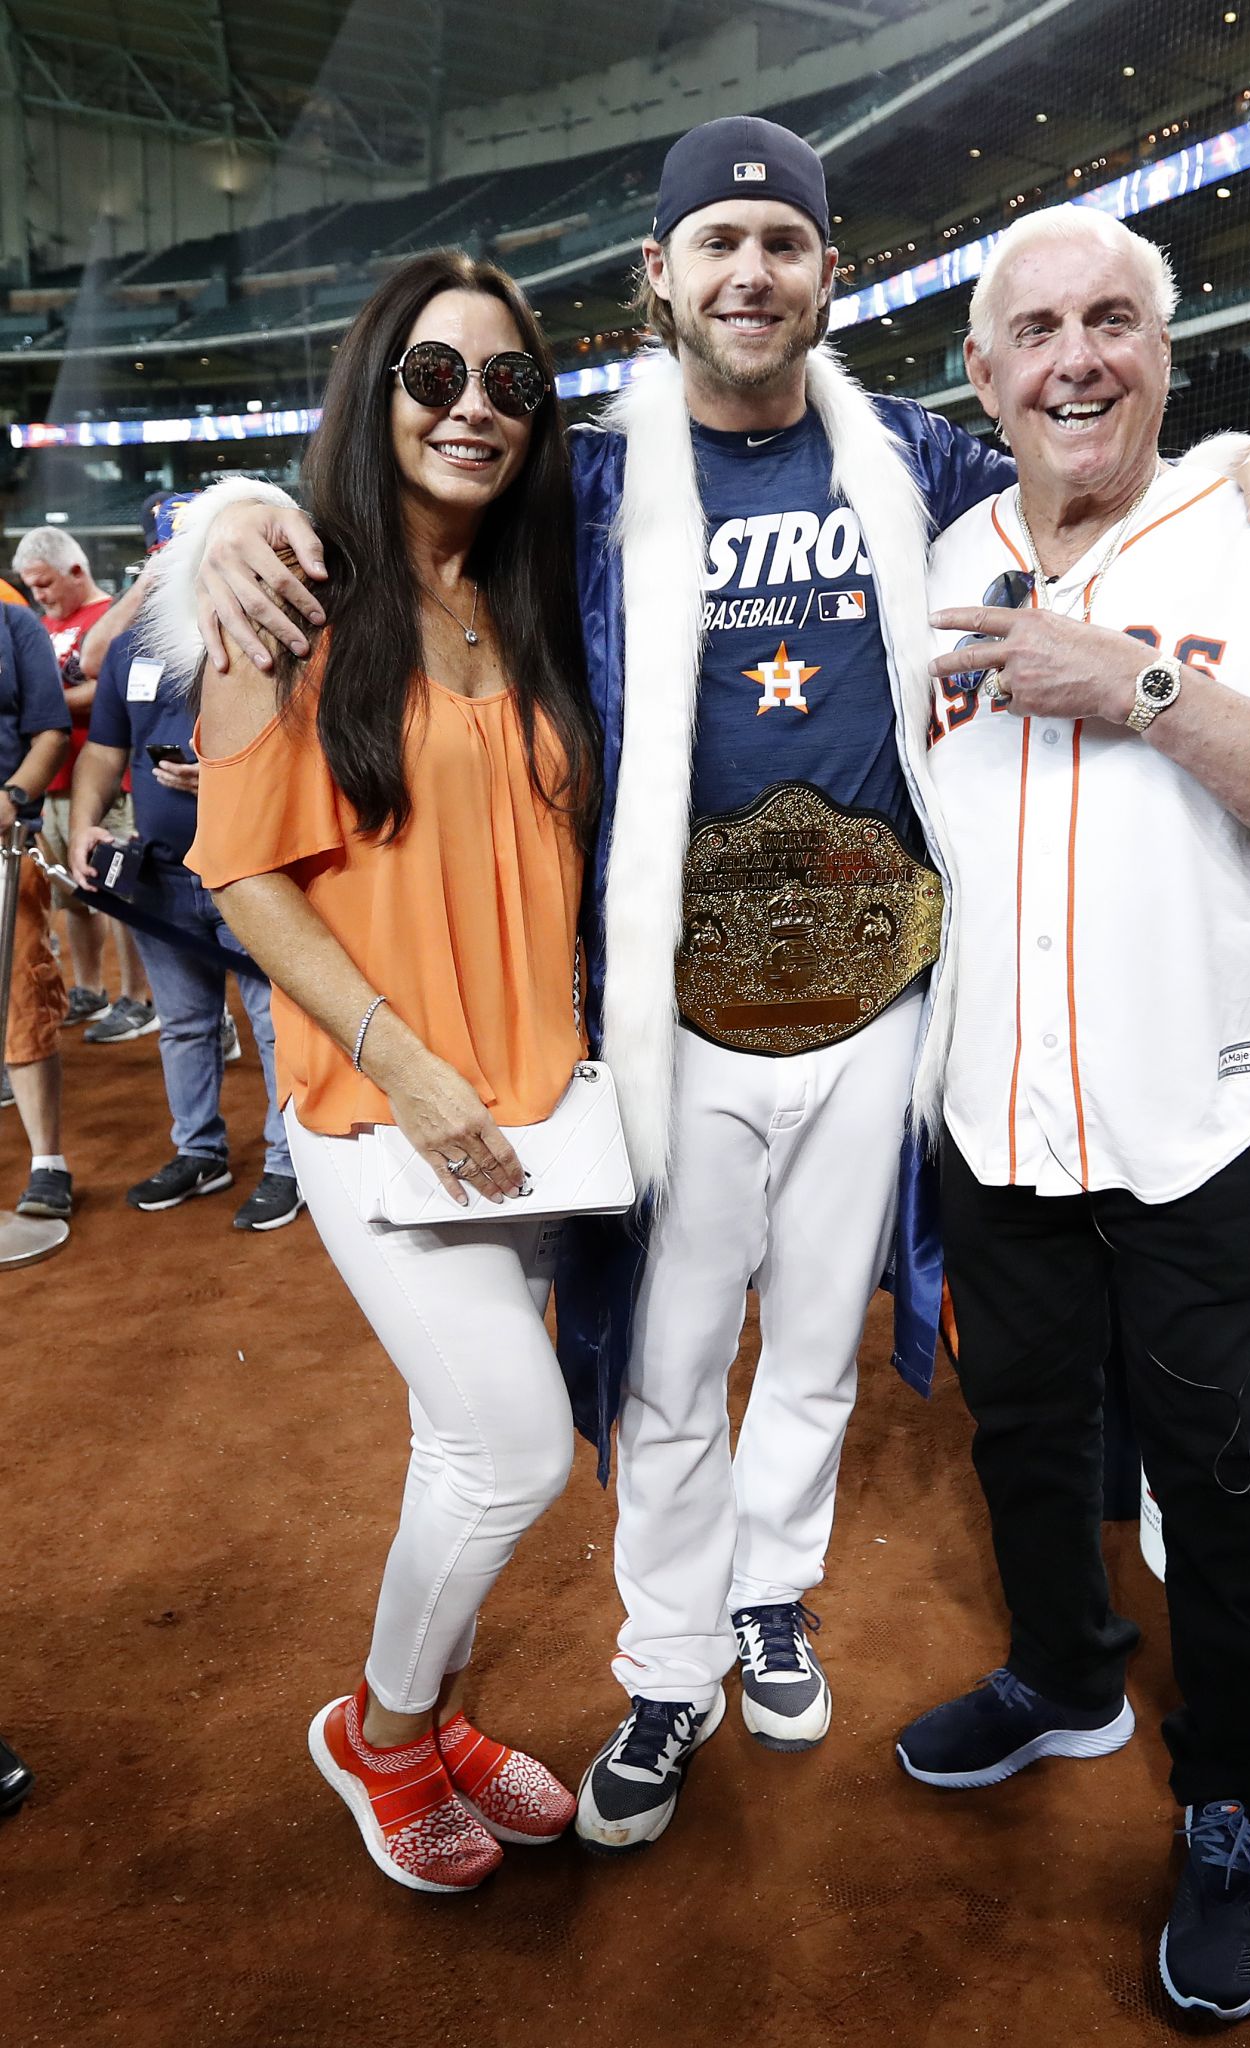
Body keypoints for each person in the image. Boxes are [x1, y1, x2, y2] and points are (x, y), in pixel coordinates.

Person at [154, 119, 1250, 1860]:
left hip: (875, 1004)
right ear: (658, 274)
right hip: (665, 1005)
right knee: (665, 1349)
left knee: (810, 1341)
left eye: (779, 246)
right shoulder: (584, 470)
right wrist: (238, 514)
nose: (747, 273)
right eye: (713, 243)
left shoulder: (908, 454)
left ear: (825, 274)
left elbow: (1087, 456)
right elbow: (409, 487)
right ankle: (666, 1660)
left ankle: (770, 1596)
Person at [898, 205, 1250, 2024]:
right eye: (1034, 329)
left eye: (1112, 320)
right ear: (982, 374)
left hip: (1199, 1123)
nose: (1075, 359)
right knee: (1023, 1429)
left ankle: (1229, 1792)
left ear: (1163, 352)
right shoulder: (935, 547)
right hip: (994, 1111)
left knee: (1218, 1469)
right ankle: (1060, 1669)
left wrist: (1136, 684)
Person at [176, 251, 603, 1892]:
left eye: (507, 382)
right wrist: (401, 1059)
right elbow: (242, 868)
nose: (472, 410)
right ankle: (379, 1720)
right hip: (378, 1105)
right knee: (514, 1445)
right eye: (435, 377)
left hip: (531, 1108)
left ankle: (434, 1723)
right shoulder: (290, 593)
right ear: (377, 391)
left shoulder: (530, 589)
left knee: (456, 1443)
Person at [66, 495, 304, 1231]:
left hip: (256, 868)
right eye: (160, 551)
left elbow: (314, 744)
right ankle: (199, 1150)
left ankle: (289, 1164)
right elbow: (106, 749)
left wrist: (234, 775)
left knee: (274, 1023)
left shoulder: (273, 622)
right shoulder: (135, 643)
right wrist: (82, 823)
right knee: (184, 1023)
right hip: (164, 871)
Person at [10, 527, 156, 1041]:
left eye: (45, 584)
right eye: (30, 587)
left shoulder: (109, 618)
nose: (38, 597)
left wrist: (39, 705)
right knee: (72, 895)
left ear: (76, 571)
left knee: (121, 892)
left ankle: (138, 998)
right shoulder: (41, 626)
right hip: (51, 782)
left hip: (106, 783)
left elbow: (108, 692)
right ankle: (91, 988)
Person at [0, 596, 72, 1217]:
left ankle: (47, 1162)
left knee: (24, 994)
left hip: (4, 840)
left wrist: (13, 796)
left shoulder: (13, 623)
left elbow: (50, 729)